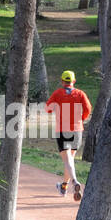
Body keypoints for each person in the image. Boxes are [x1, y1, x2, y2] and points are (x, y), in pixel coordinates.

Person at [46, 70, 92, 201]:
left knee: (67, 160)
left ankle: (75, 181)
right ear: (74, 81)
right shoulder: (80, 93)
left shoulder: (58, 93)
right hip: (77, 130)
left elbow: (48, 109)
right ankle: (64, 186)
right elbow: (88, 108)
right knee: (70, 159)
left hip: (62, 130)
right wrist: (82, 118)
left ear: (62, 81)